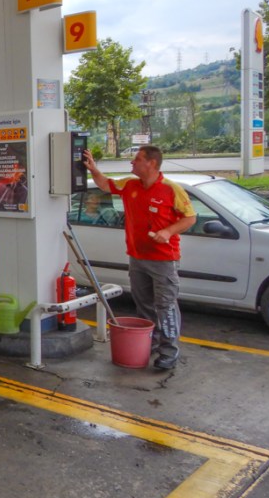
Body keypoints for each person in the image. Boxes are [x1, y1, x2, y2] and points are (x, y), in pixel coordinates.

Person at [82, 146, 196, 370]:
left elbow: (190, 218)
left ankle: (169, 352)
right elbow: (105, 184)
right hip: (137, 257)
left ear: (151, 163)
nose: (132, 163)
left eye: (137, 159)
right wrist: (93, 169)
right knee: (144, 305)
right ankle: (150, 342)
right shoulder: (130, 184)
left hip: (164, 260)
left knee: (165, 306)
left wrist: (168, 231)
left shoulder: (171, 189)